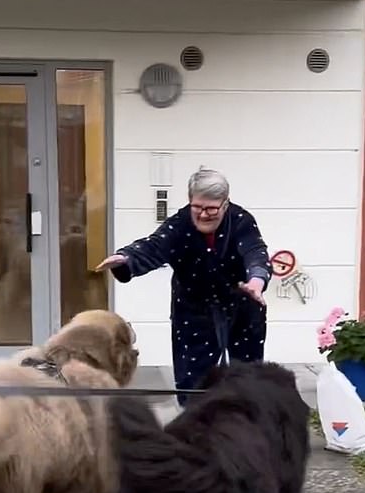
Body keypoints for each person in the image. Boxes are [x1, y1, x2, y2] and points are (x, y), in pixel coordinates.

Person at [93, 167, 273, 405]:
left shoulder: (241, 221)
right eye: (197, 207)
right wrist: (127, 258)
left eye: (212, 208)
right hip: (193, 309)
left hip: (242, 303)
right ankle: (196, 431)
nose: (203, 214)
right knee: (194, 379)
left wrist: (256, 281)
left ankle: (248, 428)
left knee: (247, 377)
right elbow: (155, 246)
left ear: (225, 204)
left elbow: (255, 252)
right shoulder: (180, 224)